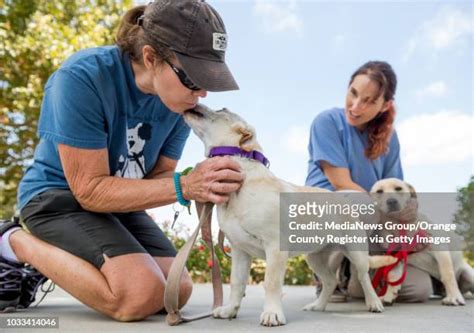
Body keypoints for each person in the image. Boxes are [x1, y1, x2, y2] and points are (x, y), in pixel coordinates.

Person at [0, 0, 244, 320]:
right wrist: (187, 185)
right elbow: (89, 190)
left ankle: (64, 262)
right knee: (137, 296)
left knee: (175, 291)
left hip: (117, 204)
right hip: (58, 198)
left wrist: (202, 183)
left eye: (208, 80)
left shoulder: (177, 105)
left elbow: (162, 177)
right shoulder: (82, 78)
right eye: (192, 78)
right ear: (150, 57)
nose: (201, 93)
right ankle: (13, 241)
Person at [305, 61, 435, 303]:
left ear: (385, 105)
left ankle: (352, 278)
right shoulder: (327, 122)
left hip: (372, 222)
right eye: (353, 93)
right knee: (354, 200)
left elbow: (397, 193)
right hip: (333, 215)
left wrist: (411, 226)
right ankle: (329, 276)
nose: (355, 106)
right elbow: (340, 182)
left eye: (369, 100)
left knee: (419, 290)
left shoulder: (390, 140)